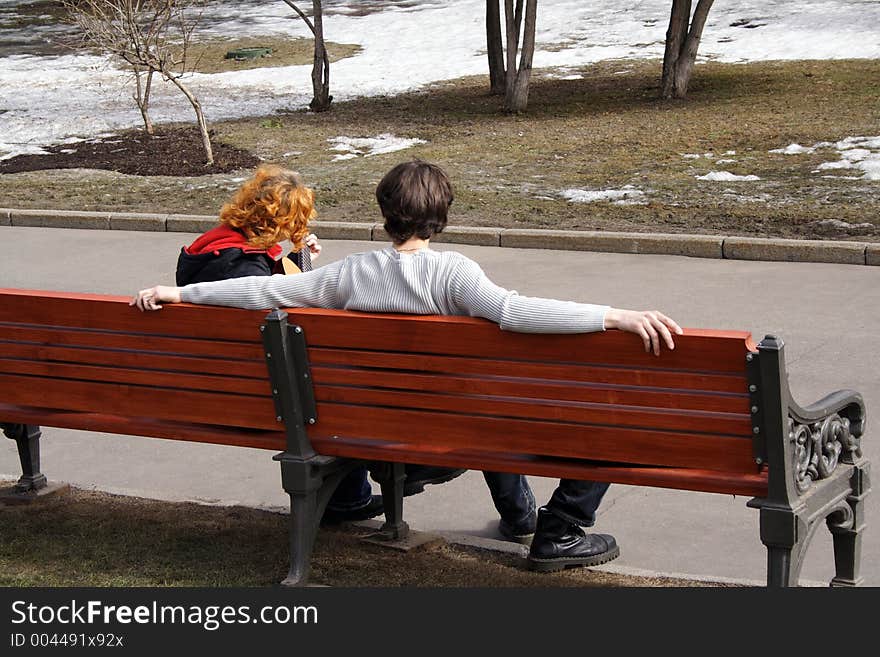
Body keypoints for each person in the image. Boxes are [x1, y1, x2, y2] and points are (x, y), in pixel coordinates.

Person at [132, 159, 682, 571]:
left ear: (385, 211)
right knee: (607, 421)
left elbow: (259, 290)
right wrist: (615, 314)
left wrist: (180, 294)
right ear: (440, 217)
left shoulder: (347, 275)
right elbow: (516, 312)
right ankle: (558, 533)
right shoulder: (455, 274)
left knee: (480, 402)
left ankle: (519, 517)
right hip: (456, 427)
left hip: (372, 427)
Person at [171, 163, 462, 525]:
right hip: (257, 394)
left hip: (233, 379)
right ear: (279, 221)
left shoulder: (214, 249)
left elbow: (277, 294)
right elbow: (287, 315)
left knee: (322, 382)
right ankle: (355, 496)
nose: (300, 230)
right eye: (296, 222)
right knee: (326, 384)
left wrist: (295, 259)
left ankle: (349, 497)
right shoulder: (244, 268)